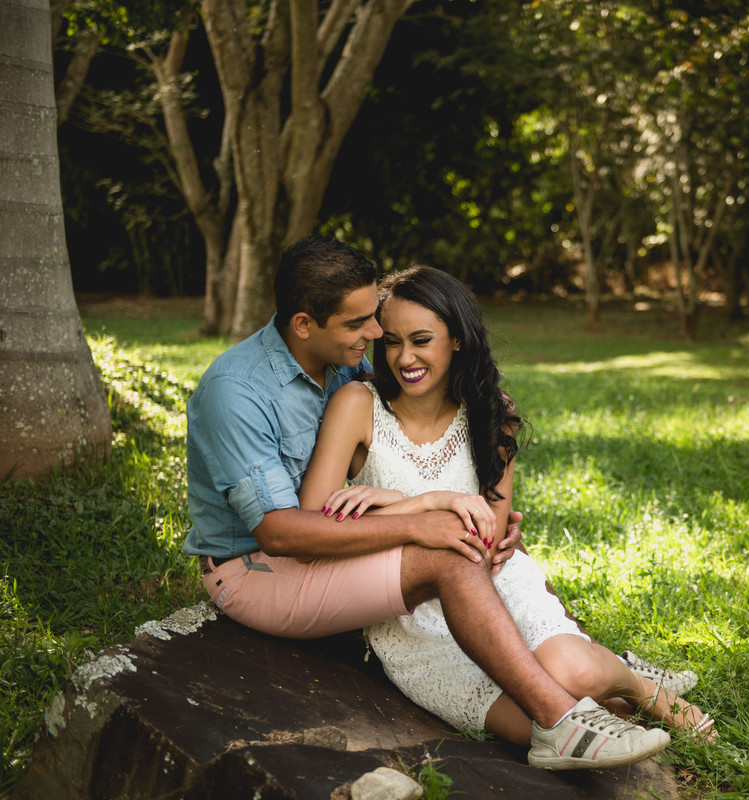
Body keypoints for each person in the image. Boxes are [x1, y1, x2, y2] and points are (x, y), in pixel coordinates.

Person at [183, 235, 678, 769]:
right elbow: (281, 534)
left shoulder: (344, 364)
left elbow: (396, 449)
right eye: (361, 325)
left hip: (326, 547)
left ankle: (607, 683)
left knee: (468, 556)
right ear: (304, 324)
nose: (376, 336)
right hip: (257, 568)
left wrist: (452, 510)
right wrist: (425, 514)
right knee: (445, 553)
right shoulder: (238, 390)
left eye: (377, 319)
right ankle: (560, 722)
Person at [297, 265, 715, 752]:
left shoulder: (490, 409)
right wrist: (429, 506)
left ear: (456, 339)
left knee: (569, 671)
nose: (404, 357)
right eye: (391, 341)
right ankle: (611, 695)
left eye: (421, 339)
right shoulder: (357, 404)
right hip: (406, 613)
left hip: (493, 579)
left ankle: (639, 687)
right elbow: (313, 523)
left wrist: (397, 506)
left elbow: (488, 534)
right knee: (535, 725)